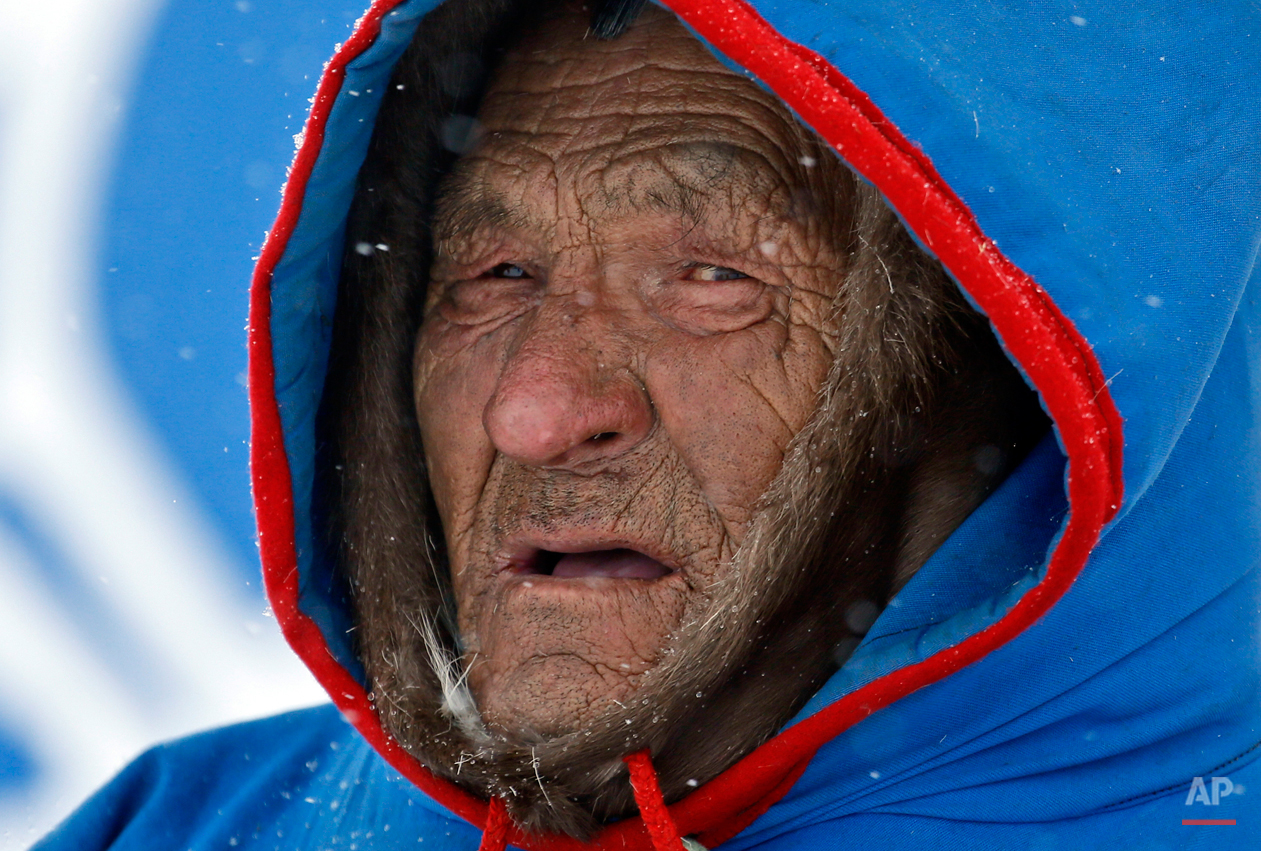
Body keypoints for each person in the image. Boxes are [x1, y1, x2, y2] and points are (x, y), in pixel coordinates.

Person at [37, 0, 1261, 849]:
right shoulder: (194, 826)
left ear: (997, 370)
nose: (533, 410)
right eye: (493, 273)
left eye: (714, 278)